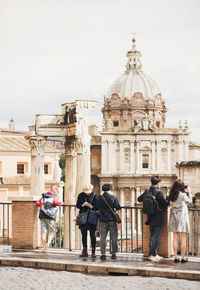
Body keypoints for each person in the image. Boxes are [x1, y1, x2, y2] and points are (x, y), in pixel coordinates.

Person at [137, 176, 169, 261]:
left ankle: (151, 253)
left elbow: (139, 199)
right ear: (159, 183)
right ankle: (153, 254)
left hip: (150, 216)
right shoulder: (159, 192)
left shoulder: (147, 191)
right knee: (156, 236)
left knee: (152, 235)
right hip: (157, 216)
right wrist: (168, 198)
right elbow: (165, 204)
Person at [168, 179, 192, 263]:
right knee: (183, 238)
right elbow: (190, 201)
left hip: (173, 216)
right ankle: (183, 257)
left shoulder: (171, 195)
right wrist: (189, 191)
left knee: (175, 237)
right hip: (182, 217)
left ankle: (175, 257)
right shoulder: (183, 195)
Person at [95, 183, 121, 260]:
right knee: (114, 237)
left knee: (103, 237)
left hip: (102, 220)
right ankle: (114, 253)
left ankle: (103, 254)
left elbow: (96, 208)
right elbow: (118, 207)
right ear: (110, 189)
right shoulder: (113, 197)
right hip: (112, 219)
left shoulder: (99, 198)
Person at [36, 185, 63, 253]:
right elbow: (57, 203)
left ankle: (44, 246)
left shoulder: (44, 196)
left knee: (43, 231)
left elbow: (37, 203)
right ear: (56, 191)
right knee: (51, 231)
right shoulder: (55, 196)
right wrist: (61, 203)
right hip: (50, 216)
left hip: (42, 215)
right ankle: (48, 243)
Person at [76, 184, 97, 258]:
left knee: (92, 235)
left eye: (88, 191)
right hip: (83, 216)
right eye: (86, 191)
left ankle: (93, 251)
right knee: (83, 235)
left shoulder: (95, 196)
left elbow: (96, 207)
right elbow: (77, 205)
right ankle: (84, 250)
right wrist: (82, 205)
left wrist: (89, 205)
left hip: (92, 217)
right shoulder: (81, 195)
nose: (87, 193)